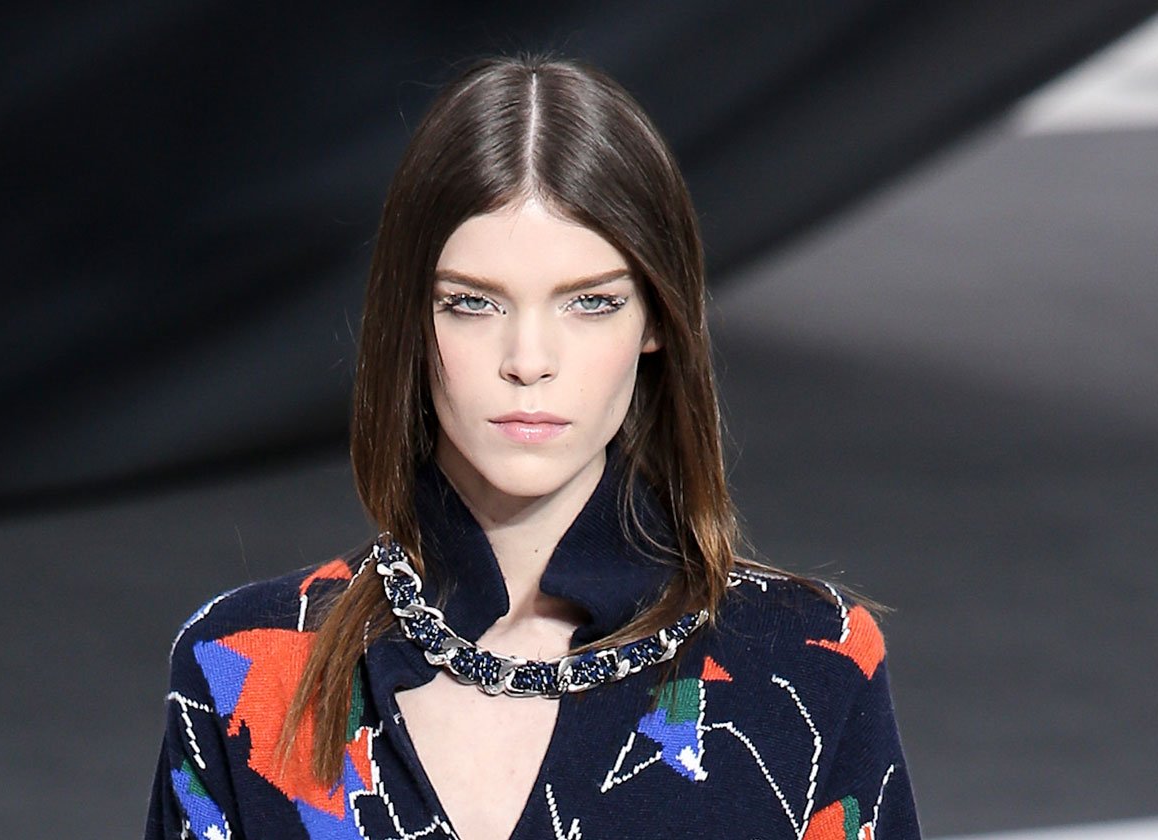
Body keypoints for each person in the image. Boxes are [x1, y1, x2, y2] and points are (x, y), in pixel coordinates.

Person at [146, 55, 919, 840]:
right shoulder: (244, 669)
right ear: (408, 318)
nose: (528, 360)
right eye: (471, 303)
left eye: (591, 302)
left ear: (656, 319)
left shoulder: (809, 663)